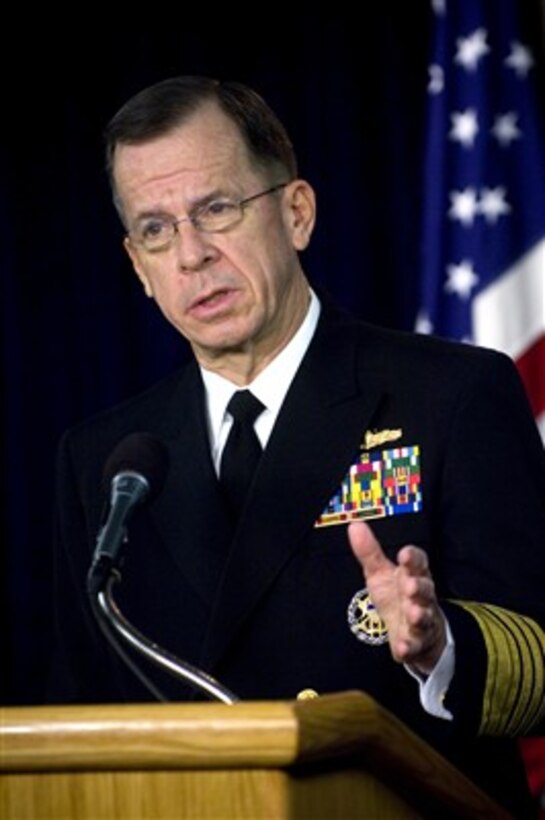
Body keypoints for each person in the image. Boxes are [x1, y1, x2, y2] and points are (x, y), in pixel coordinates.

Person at [50, 75, 545, 817]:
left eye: (216, 209)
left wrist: (441, 647)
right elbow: (78, 718)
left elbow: (540, 662)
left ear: (296, 213)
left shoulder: (451, 394)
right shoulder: (107, 459)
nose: (190, 255)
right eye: (156, 229)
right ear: (137, 267)